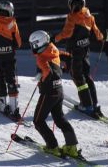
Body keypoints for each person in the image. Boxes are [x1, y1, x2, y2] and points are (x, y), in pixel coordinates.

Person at [29, 30, 82, 159]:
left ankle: (52, 146)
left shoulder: (41, 58)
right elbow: (67, 56)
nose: (32, 48)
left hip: (48, 94)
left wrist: (42, 77)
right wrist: (65, 68)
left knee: (38, 121)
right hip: (59, 91)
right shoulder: (53, 49)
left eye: (33, 45)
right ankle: (72, 147)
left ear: (37, 44)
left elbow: (48, 71)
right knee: (60, 120)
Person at [54, 0, 105, 117]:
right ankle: (95, 103)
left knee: (78, 77)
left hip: (75, 52)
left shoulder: (72, 18)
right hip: (85, 52)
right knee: (87, 76)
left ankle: (86, 105)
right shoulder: (89, 16)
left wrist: (55, 38)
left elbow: (67, 33)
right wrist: (104, 37)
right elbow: (98, 34)